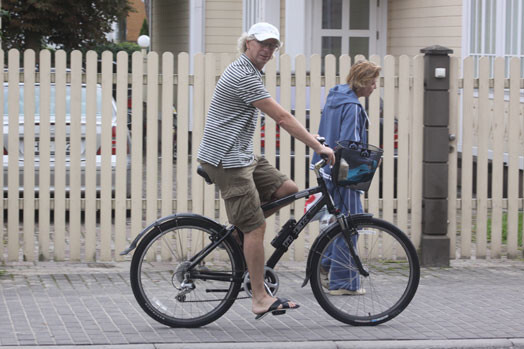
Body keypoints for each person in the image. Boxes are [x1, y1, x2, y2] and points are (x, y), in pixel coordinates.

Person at [197, 22, 335, 319]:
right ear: (247, 43)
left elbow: (279, 116)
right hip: (226, 159)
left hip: (242, 154)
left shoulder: (251, 71)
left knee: (288, 190)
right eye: (263, 43)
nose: (268, 50)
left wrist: (314, 140)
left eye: (273, 46)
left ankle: (238, 237)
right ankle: (259, 297)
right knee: (256, 227)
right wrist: (317, 146)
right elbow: (282, 118)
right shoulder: (242, 74)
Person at [310, 59, 381, 296]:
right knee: (351, 224)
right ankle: (342, 282)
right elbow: (349, 146)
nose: (374, 87)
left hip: (326, 169)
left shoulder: (335, 99)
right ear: (362, 82)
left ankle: (325, 265)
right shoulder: (352, 107)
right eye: (372, 82)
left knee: (337, 222)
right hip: (341, 171)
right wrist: (352, 177)